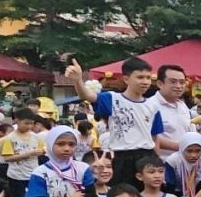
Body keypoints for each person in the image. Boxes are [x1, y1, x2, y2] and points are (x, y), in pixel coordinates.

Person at [66, 57, 162, 188]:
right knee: (121, 195)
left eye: (148, 77)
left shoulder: (153, 105)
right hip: (121, 157)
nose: (145, 82)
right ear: (126, 78)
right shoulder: (112, 98)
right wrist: (78, 80)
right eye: (140, 77)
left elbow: (155, 137)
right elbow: (87, 96)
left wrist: (158, 163)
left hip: (147, 156)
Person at [0, 108, 44, 197]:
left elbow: (43, 150)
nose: (29, 126)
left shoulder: (36, 137)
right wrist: (29, 154)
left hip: (33, 172)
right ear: (17, 121)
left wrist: (41, 152)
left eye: (31, 123)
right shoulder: (10, 138)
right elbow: (8, 158)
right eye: (26, 123)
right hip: (16, 175)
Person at [152, 64, 194, 162]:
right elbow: (149, 136)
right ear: (160, 84)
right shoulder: (150, 106)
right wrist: (181, 147)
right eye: (173, 82)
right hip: (162, 163)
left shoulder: (183, 106)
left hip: (186, 162)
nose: (178, 86)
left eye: (182, 82)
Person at [164, 132, 201, 197]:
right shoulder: (172, 161)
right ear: (182, 149)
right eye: (189, 151)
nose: (194, 155)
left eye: (198, 151)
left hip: (200, 196)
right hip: (175, 196)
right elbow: (170, 185)